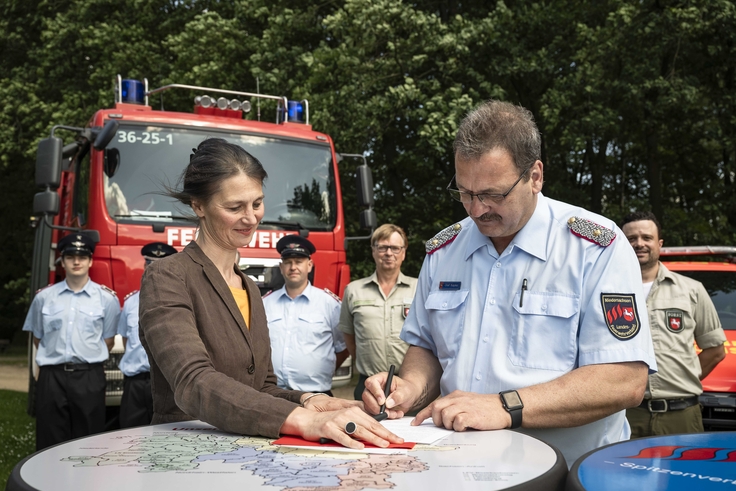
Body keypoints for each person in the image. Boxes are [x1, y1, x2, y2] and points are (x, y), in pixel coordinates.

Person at [362, 100, 657, 467]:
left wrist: (505, 406)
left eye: (493, 194)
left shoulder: (596, 247)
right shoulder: (444, 250)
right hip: (456, 467)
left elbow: (624, 380)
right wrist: (410, 388)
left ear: (535, 176)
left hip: (565, 473)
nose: (476, 209)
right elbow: (427, 348)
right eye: (465, 193)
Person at [138, 138, 401, 449]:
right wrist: (303, 419)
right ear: (198, 205)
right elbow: (193, 382)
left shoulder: (249, 287)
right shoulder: (167, 275)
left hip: (244, 452)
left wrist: (308, 400)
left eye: (257, 203)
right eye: (234, 207)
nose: (251, 218)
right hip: (186, 453)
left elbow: (261, 387)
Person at [621, 211, 726, 437]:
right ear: (622, 244)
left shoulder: (692, 289)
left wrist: (682, 378)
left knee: (684, 472)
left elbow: (716, 350)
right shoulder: (606, 291)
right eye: (631, 239)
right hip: (626, 414)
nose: (639, 244)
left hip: (681, 415)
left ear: (659, 244)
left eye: (646, 238)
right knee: (624, 473)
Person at [22, 233, 120, 450]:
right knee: (49, 440)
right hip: (52, 378)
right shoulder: (43, 298)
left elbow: (109, 340)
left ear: (91, 261)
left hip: (89, 377)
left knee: (89, 440)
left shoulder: (107, 299)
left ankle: (86, 484)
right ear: (62, 261)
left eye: (82, 257)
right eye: (71, 257)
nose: (77, 262)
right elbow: (38, 337)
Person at [338, 224, 418, 400]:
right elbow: (349, 335)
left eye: (395, 248)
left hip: (408, 385)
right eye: (382, 247)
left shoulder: (419, 289)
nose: (389, 253)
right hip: (368, 384)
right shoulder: (353, 290)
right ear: (373, 251)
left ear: (403, 253)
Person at [263, 235, 348, 394]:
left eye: (298, 262)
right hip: (273, 395)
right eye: (288, 262)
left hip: (316, 394)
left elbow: (343, 347)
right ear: (281, 267)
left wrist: (321, 371)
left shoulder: (329, 304)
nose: (293, 267)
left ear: (309, 265)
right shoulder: (265, 304)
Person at [117, 242, 178, 428]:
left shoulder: (182, 302)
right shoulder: (130, 303)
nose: (155, 270)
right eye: (150, 264)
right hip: (135, 383)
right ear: (144, 267)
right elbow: (127, 340)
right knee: (130, 438)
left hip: (168, 383)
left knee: (168, 440)